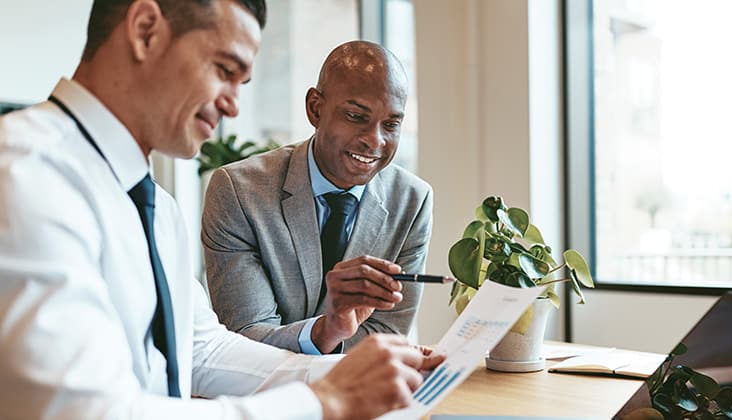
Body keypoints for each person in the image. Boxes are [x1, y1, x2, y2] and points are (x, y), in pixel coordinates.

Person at [0, 1, 442, 419]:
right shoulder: (25, 174)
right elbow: (84, 412)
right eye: (224, 70)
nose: (232, 103)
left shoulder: (156, 207)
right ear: (145, 31)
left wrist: (360, 373)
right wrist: (322, 401)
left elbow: (202, 350)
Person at [202, 40, 433, 355]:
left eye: (391, 125)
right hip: (262, 396)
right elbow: (246, 337)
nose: (374, 141)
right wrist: (329, 329)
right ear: (315, 108)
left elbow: (385, 336)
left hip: (359, 396)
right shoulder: (238, 191)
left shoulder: (412, 202)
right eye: (356, 116)